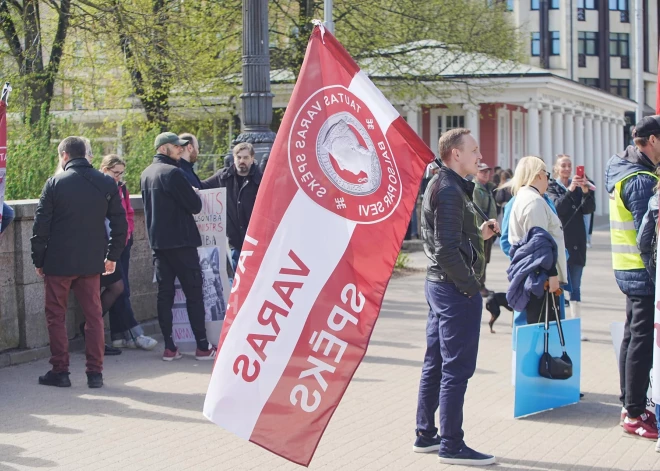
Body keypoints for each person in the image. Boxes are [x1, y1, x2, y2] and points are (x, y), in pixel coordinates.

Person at [415, 128, 498, 466]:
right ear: (455, 154)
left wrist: (479, 235)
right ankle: (451, 443)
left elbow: (449, 241)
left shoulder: (448, 185)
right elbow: (446, 249)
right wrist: (470, 286)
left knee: (436, 362)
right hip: (452, 289)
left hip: (442, 285)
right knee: (456, 368)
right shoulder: (448, 189)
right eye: (474, 150)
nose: (479, 156)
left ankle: (426, 434)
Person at [31, 136, 127, 389]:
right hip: (91, 262)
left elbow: (41, 227)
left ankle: (60, 371)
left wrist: (38, 259)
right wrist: (112, 256)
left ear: (64, 155)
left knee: (56, 316)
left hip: (58, 262)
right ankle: (95, 374)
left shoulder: (54, 183)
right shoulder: (106, 182)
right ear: (85, 154)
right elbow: (120, 223)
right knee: (94, 316)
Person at [605, 115, 660, 440]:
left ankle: (631, 404)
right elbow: (647, 236)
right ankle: (635, 412)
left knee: (632, 337)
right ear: (652, 140)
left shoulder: (626, 169)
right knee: (640, 341)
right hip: (641, 271)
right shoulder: (639, 179)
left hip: (627, 268)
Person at [141, 132, 216, 362]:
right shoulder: (173, 173)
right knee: (194, 293)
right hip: (182, 243)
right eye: (176, 147)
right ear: (164, 149)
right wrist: (193, 195)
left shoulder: (146, 173)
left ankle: (170, 347)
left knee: (165, 294)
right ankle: (202, 346)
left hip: (159, 244)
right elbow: (194, 206)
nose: (180, 150)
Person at [504, 157, 567, 333]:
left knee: (537, 329)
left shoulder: (524, 198)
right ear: (538, 175)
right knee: (541, 331)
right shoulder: (534, 201)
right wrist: (553, 275)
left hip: (534, 273)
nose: (548, 180)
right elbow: (539, 245)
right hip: (541, 277)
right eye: (547, 175)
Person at [101, 155, 158, 351]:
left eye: (120, 173)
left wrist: (129, 233)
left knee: (122, 288)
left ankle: (118, 334)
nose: (118, 176)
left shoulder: (121, 187)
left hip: (122, 243)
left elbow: (129, 214)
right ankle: (135, 333)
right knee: (120, 288)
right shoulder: (101, 187)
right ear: (104, 169)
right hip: (107, 246)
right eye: (114, 172)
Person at [546, 155, 595, 340]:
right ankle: (558, 326)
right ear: (556, 168)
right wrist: (571, 189)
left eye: (569, 165)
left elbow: (589, 208)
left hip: (578, 243)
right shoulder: (552, 187)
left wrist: (584, 191)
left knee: (576, 287)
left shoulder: (579, 186)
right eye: (563, 165)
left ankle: (576, 328)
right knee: (558, 285)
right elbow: (557, 208)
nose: (567, 168)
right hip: (560, 243)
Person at [202, 142, 262, 271]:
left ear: (252, 158)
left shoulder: (261, 179)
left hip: (256, 241)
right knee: (237, 279)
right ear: (234, 158)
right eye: (238, 157)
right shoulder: (223, 177)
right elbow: (202, 187)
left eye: (245, 158)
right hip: (234, 241)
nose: (242, 161)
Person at [473, 163, 497, 297]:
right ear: (476, 173)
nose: (486, 174)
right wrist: (480, 230)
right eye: (482, 171)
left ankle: (481, 284)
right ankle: (478, 286)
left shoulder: (487, 188)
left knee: (485, 259)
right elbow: (477, 211)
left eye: (487, 171)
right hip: (482, 230)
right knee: (480, 259)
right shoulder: (476, 189)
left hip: (489, 230)